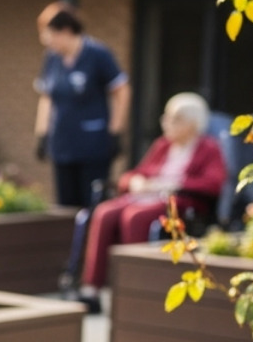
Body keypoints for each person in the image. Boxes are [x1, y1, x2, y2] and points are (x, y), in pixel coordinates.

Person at [74, 92, 226, 312]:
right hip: (144, 196)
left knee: (134, 217)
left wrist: (174, 184)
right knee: (104, 212)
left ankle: (131, 288)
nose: (166, 123)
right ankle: (92, 289)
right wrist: (135, 181)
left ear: (192, 124)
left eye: (174, 119)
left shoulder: (208, 148)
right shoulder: (163, 146)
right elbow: (133, 175)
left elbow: (213, 184)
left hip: (179, 203)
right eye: (166, 117)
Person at [33, 2, 130, 208]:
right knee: (65, 205)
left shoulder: (98, 54)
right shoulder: (51, 58)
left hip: (92, 145)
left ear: (66, 31)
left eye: (49, 35)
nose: (46, 41)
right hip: (62, 143)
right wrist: (42, 134)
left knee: (92, 205)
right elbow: (47, 97)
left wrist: (116, 131)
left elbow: (122, 91)